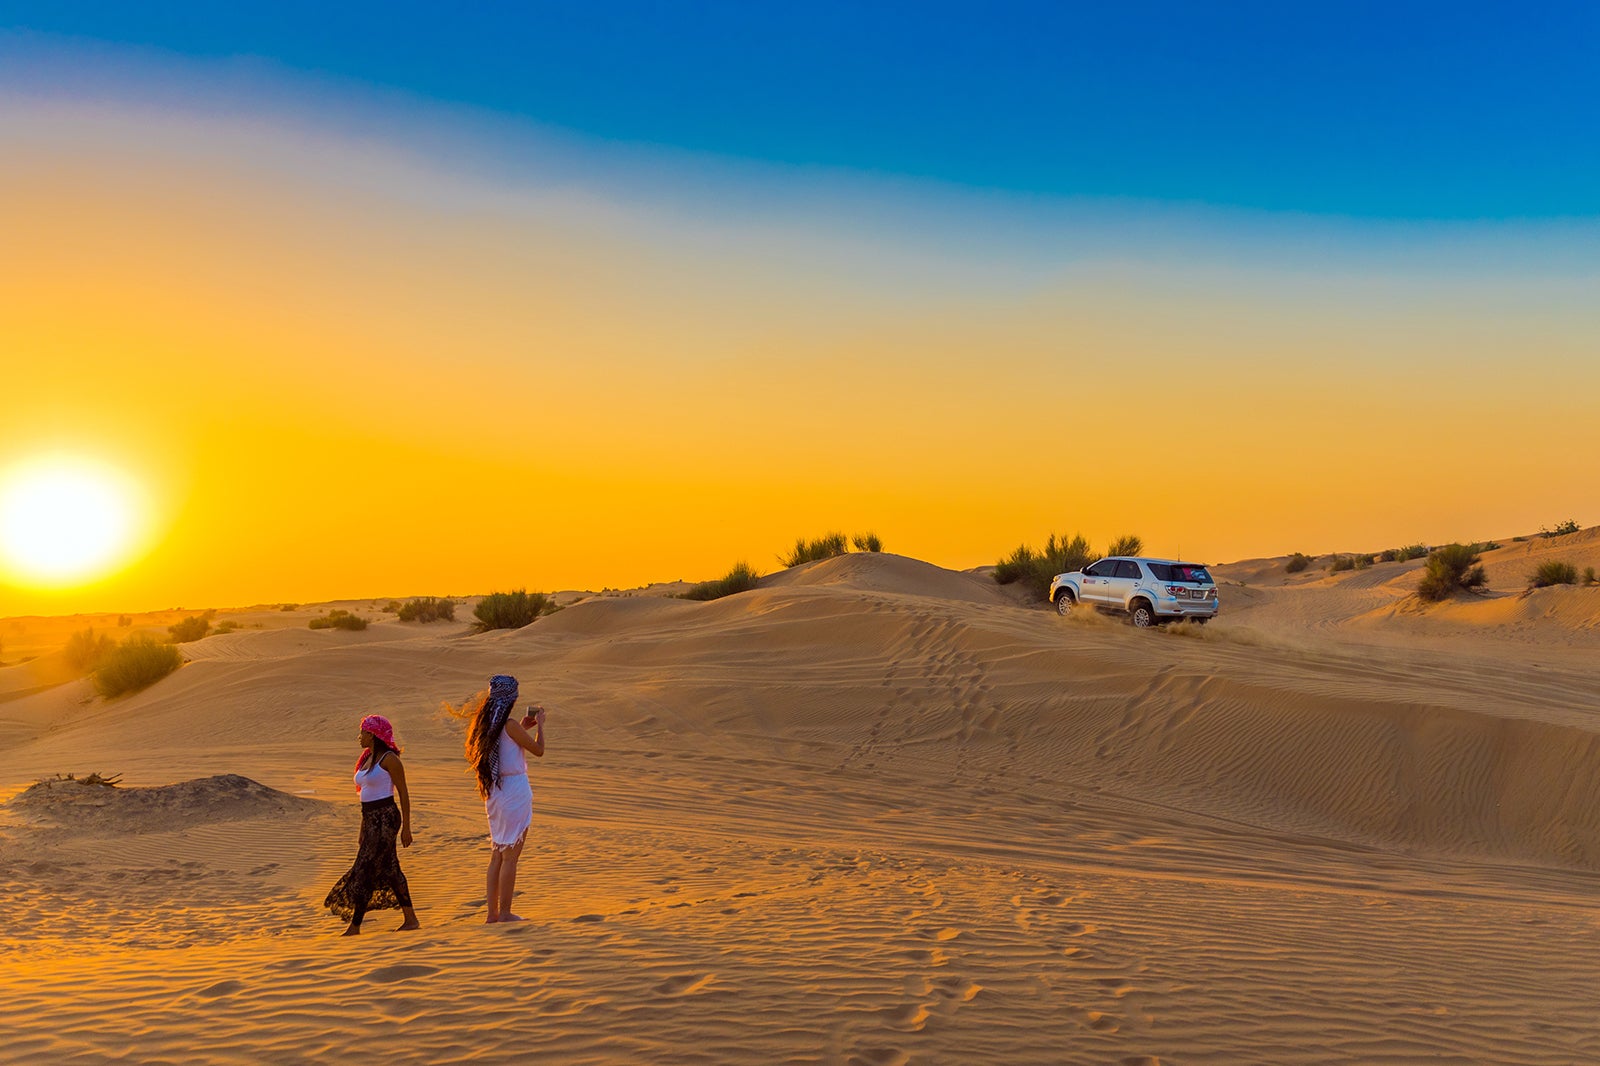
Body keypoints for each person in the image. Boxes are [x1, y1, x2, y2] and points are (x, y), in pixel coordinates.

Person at [323, 714, 419, 936]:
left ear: (373, 735)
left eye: (363, 732)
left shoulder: (390, 760)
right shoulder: (366, 759)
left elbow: (403, 793)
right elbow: (364, 798)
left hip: (386, 818)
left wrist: (406, 827)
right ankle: (411, 919)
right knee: (390, 868)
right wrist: (363, 828)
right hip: (370, 820)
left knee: (364, 868)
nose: (359, 737)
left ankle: (355, 926)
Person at [459, 674, 545, 923]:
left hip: (495, 793)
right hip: (515, 791)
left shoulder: (488, 726)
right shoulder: (509, 725)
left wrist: (522, 728)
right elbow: (538, 751)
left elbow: (506, 745)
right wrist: (541, 725)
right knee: (510, 855)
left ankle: (493, 914)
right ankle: (506, 913)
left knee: (497, 853)